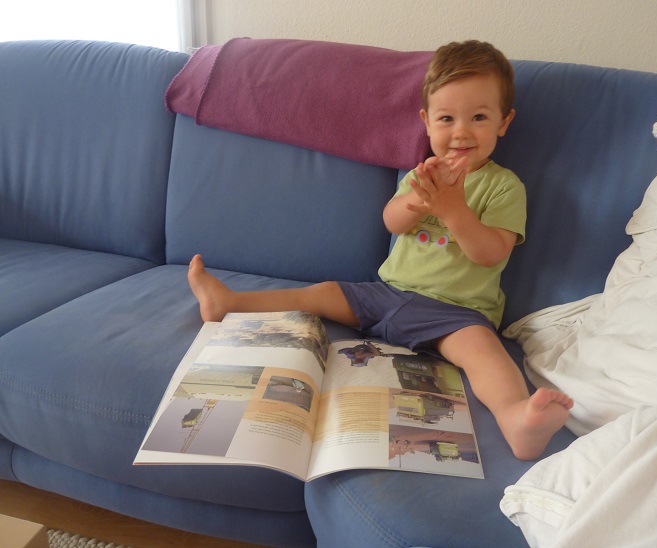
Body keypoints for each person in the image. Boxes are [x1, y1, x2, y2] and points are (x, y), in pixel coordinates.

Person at [187, 40, 573, 460]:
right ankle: (230, 303)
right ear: (426, 123)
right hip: (387, 294)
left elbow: (491, 253)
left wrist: (453, 209)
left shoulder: (503, 186)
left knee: (484, 354)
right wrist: (419, 198)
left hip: (456, 313)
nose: (461, 132)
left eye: (478, 117)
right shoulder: (420, 175)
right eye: (447, 118)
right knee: (322, 294)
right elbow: (392, 221)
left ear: (503, 122)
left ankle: (516, 419)